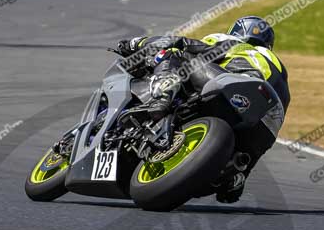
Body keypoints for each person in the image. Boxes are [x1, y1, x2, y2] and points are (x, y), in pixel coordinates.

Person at [117, 16, 289, 203]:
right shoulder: (280, 70)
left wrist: (136, 44)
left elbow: (182, 42)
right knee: (236, 177)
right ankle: (236, 176)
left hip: (234, 84)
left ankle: (162, 98)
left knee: (175, 53)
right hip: (266, 122)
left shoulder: (232, 42)